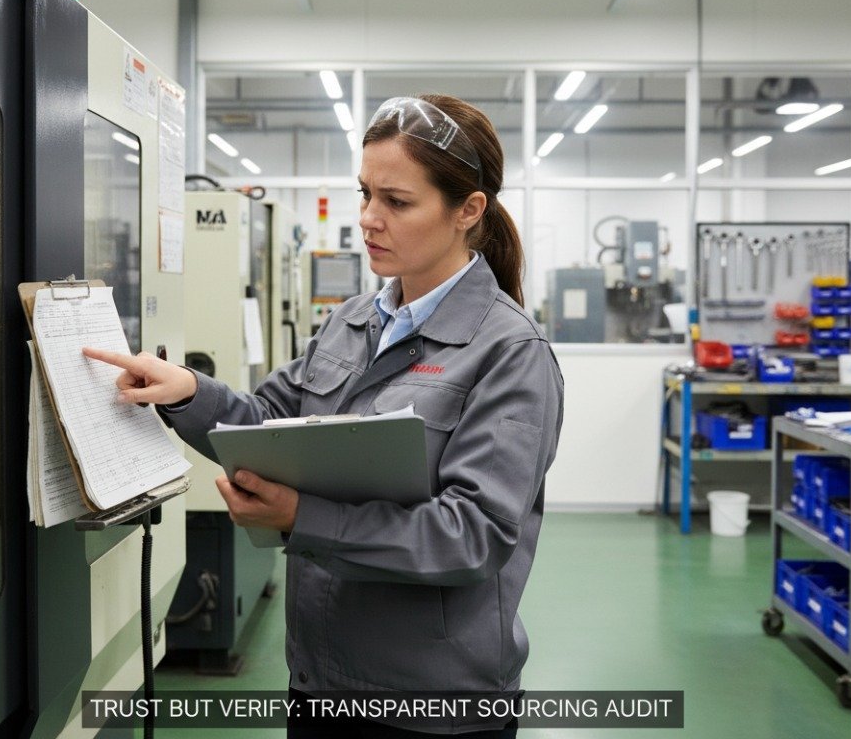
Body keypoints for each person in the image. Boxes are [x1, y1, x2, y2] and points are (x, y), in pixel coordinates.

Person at [83, 94, 564, 738]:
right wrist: (186, 392)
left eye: (397, 202)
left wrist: (300, 517)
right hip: (320, 682)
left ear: (467, 211)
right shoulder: (351, 322)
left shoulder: (509, 354)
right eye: (364, 193)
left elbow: (471, 534)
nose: (369, 219)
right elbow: (265, 418)